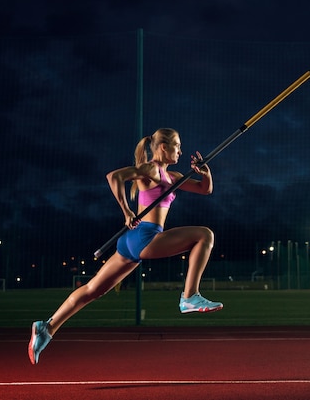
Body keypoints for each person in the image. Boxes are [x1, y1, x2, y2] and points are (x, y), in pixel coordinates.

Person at [28, 128, 222, 365]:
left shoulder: (172, 177)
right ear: (163, 147)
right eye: (178, 146)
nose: (181, 151)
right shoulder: (151, 169)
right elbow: (114, 176)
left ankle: (47, 327)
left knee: (92, 290)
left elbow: (205, 189)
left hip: (132, 243)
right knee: (204, 235)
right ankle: (190, 296)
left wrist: (206, 172)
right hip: (145, 237)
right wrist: (126, 211)